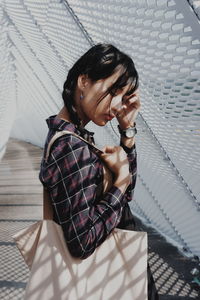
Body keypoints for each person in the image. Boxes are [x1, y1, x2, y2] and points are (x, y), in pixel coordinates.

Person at [39, 43, 159, 299]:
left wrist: (127, 132)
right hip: (106, 278)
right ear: (84, 81)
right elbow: (82, 242)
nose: (117, 105)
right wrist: (121, 181)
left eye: (124, 96)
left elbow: (123, 199)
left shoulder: (71, 138)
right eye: (114, 91)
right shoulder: (72, 147)